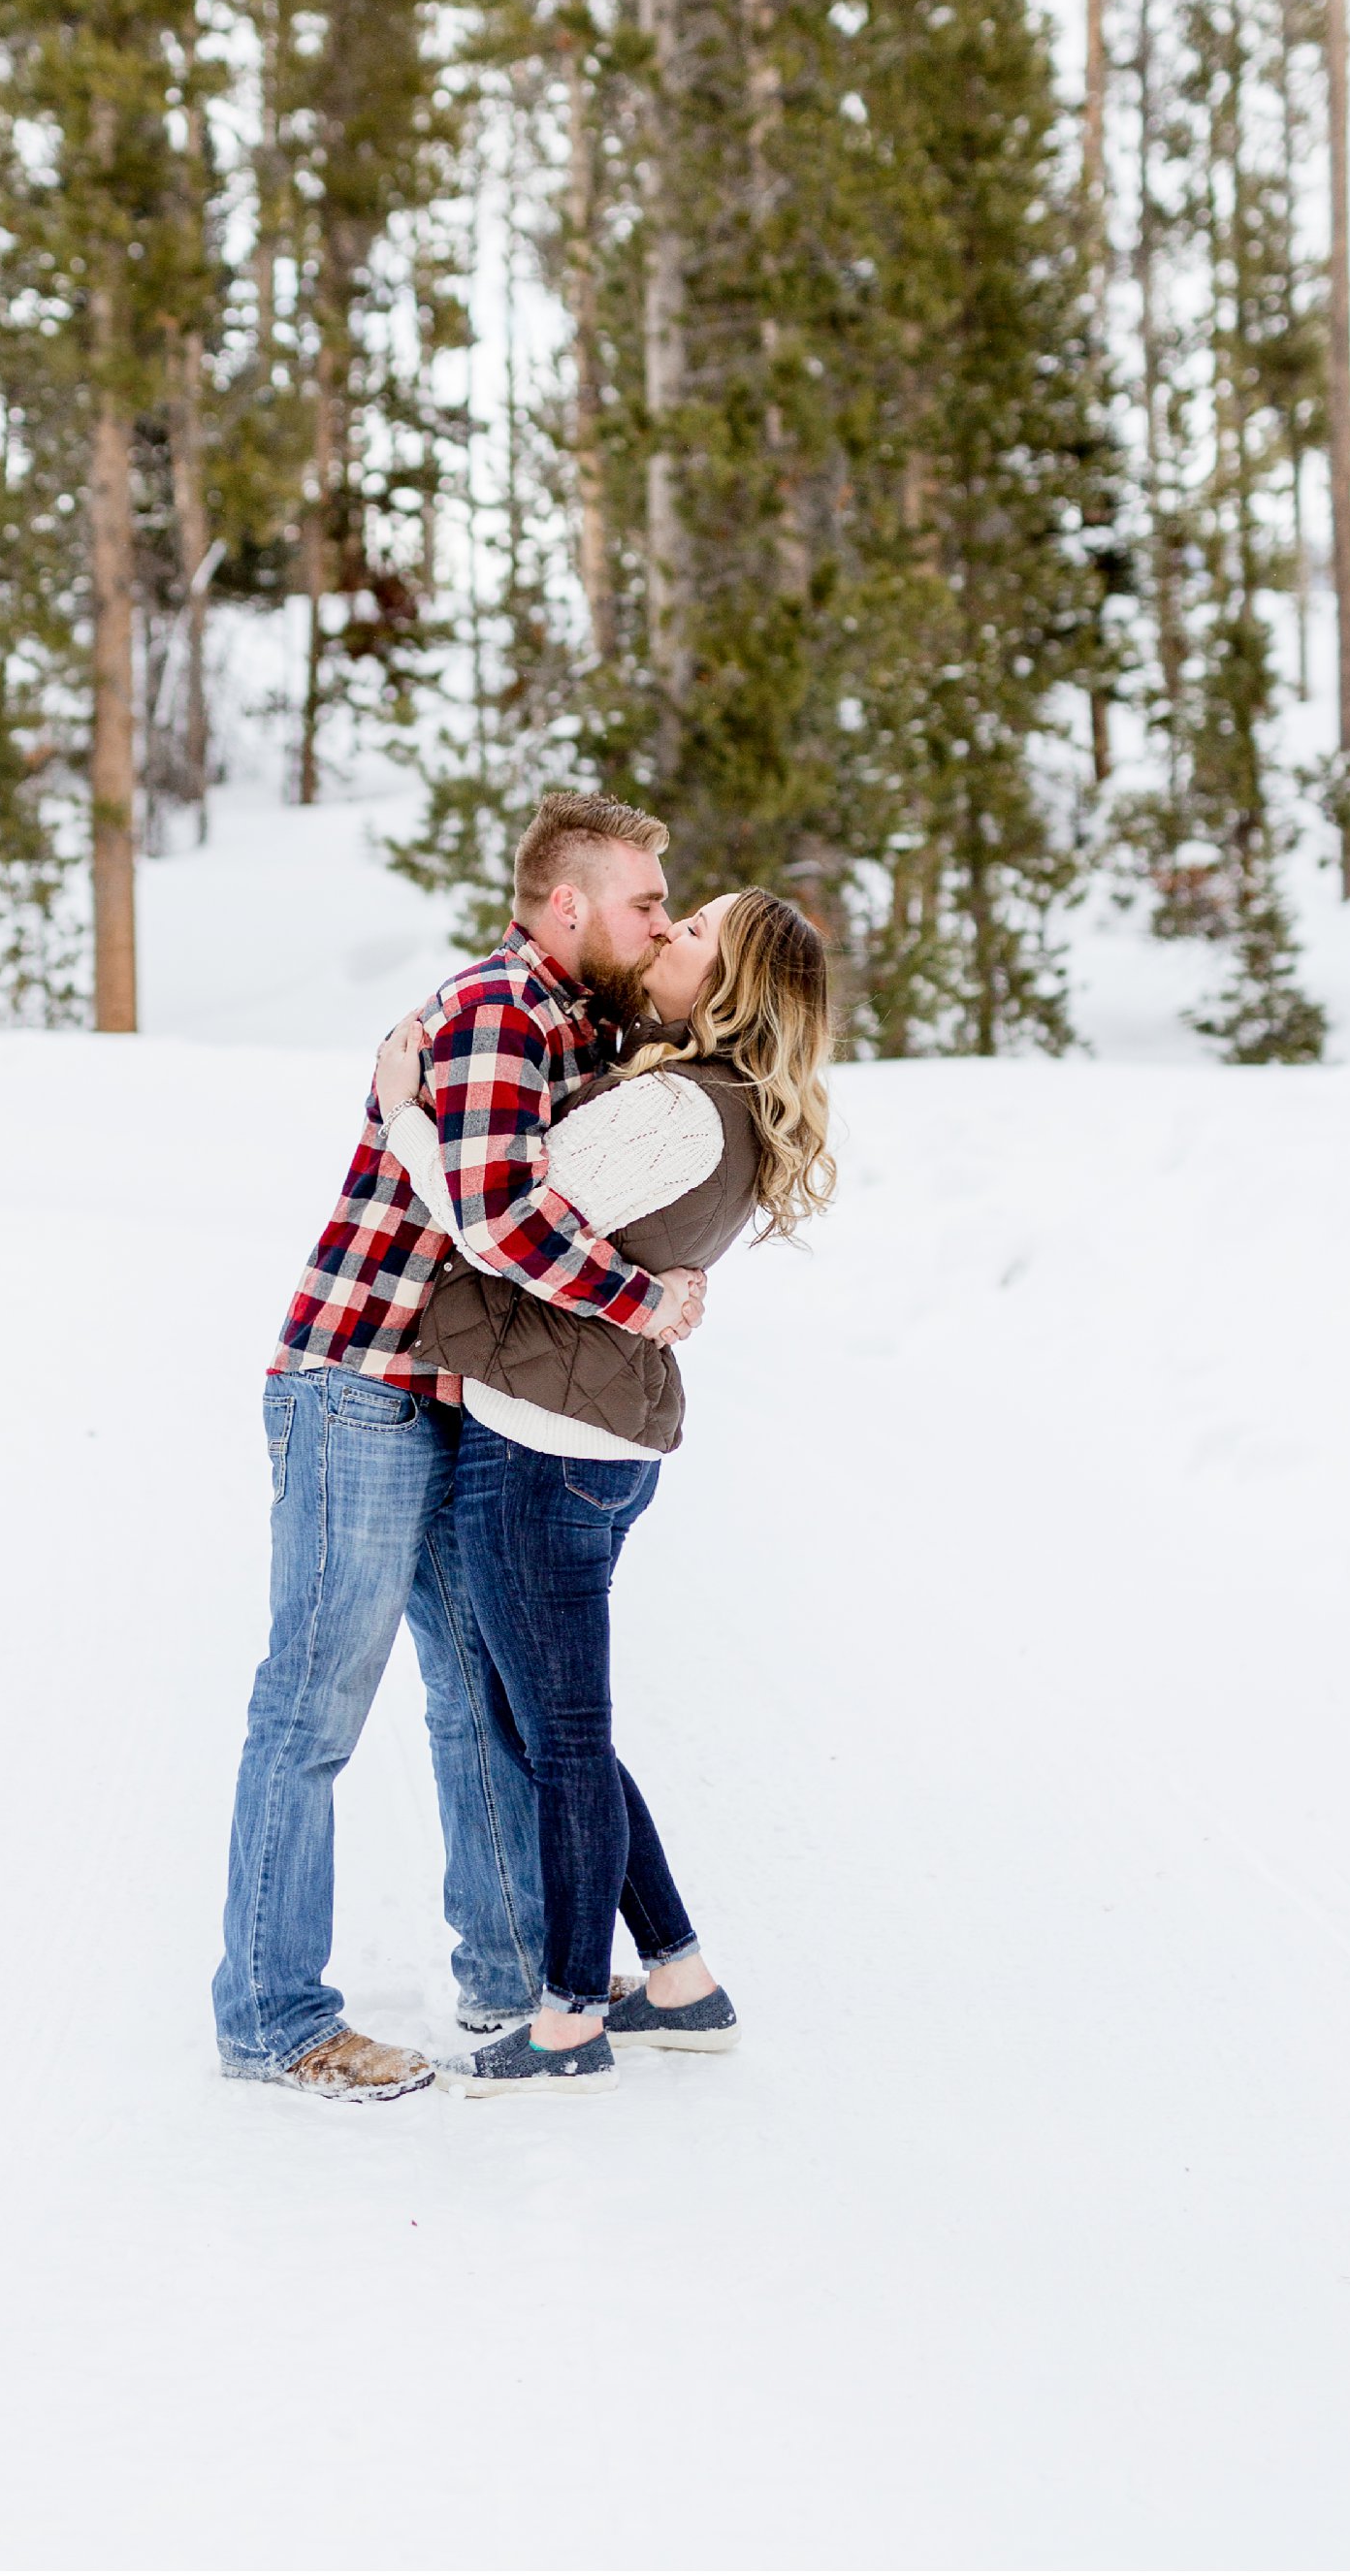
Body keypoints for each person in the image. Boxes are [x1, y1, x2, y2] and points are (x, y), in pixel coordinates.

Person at [211, 793, 709, 2103]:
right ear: (567, 905)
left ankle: (510, 1970)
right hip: (360, 1382)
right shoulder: (498, 1008)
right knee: (315, 1701)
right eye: (645, 901)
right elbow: (495, 1219)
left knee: (479, 1693)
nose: (659, 919)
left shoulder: (578, 1023)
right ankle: (270, 2013)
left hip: (458, 1399)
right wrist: (640, 1301)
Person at [372, 886, 836, 2101]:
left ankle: (570, 2017)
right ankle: (678, 1980)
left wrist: (405, 1112)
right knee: (552, 1726)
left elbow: (495, 1222)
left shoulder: (680, 1111)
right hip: (575, 1441)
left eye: (693, 935)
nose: (668, 935)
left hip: (543, 1448)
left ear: (726, 988)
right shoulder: (697, 1095)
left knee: (560, 1737)